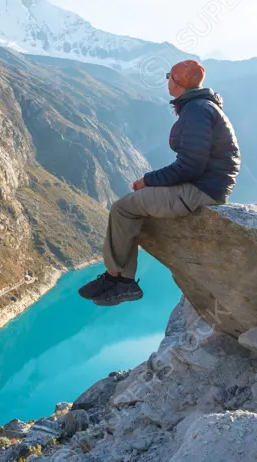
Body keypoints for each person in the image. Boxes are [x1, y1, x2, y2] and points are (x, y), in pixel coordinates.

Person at [79, 59, 241, 306]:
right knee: (136, 202)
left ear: (177, 82)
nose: (167, 80)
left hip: (201, 189)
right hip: (208, 184)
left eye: (169, 76)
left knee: (123, 208)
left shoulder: (197, 110)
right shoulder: (202, 107)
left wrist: (148, 180)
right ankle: (119, 278)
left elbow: (190, 166)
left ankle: (120, 281)